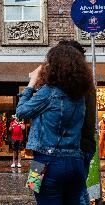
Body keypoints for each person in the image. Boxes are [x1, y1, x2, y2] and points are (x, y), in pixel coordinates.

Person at [16, 44, 93, 204]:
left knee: (40, 197)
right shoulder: (81, 95)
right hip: (75, 161)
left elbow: (21, 111)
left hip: (43, 160)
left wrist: (31, 83)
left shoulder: (48, 91)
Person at [58, 39, 96, 205]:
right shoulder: (86, 83)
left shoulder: (62, 85)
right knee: (78, 193)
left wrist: (32, 85)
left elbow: (23, 110)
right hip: (79, 148)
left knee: (73, 194)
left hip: (59, 151)